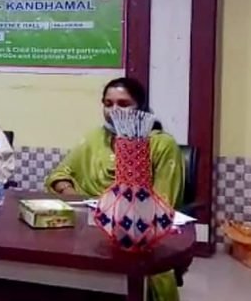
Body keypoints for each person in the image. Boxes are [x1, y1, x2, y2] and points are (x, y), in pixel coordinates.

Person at [45, 77, 184, 301]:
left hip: (140, 237)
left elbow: (163, 201)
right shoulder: (94, 138)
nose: (114, 111)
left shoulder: (161, 144)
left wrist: (120, 214)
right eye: (108, 104)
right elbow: (58, 176)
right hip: (90, 228)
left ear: (141, 107)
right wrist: (79, 199)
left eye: (123, 104)